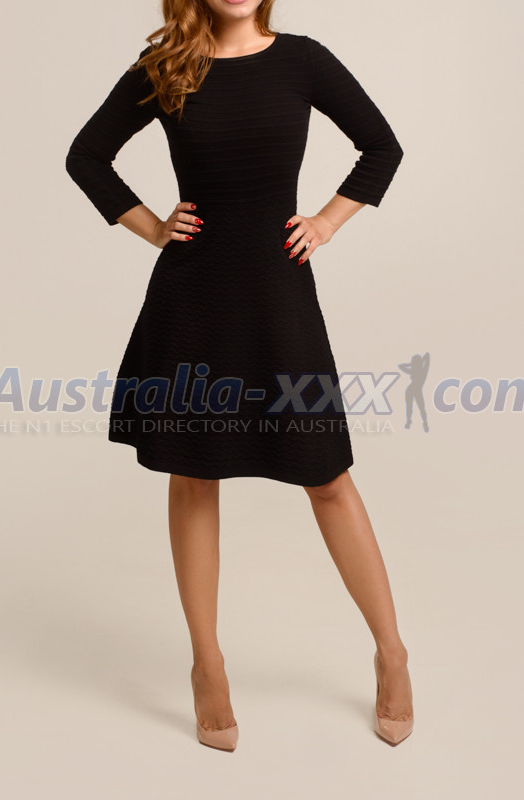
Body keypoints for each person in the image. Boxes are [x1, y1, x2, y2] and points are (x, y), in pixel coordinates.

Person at [65, 0, 413, 751]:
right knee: (194, 474)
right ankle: (208, 665)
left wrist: (326, 221)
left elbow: (382, 146)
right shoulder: (167, 66)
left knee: (327, 475)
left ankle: (391, 652)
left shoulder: (302, 59)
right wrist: (152, 226)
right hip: (193, 298)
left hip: (278, 296)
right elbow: (86, 155)